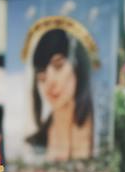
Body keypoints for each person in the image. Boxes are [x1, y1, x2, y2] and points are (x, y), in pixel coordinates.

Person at [26, 27, 95, 161]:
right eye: (42, 76)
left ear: (77, 64)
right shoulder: (35, 146)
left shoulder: (99, 131)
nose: (50, 83)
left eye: (58, 66)